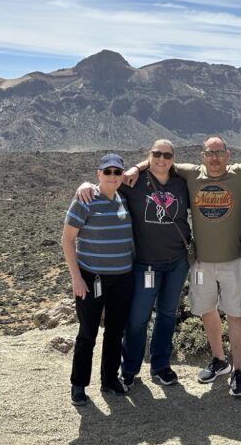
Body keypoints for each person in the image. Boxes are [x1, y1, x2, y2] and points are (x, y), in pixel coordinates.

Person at [128, 135, 241, 398]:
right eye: (209, 153)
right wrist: (135, 168)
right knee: (207, 310)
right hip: (201, 263)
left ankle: (238, 371)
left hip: (234, 261)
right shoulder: (191, 173)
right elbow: (158, 162)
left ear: (228, 155)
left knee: (236, 315)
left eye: (219, 152)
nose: (214, 158)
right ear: (202, 156)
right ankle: (218, 360)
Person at [76, 140, 192, 387]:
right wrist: (85, 185)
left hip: (177, 262)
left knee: (167, 314)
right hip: (144, 264)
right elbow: (107, 186)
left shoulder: (182, 183)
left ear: (173, 158)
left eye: (167, 155)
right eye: (156, 154)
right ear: (149, 155)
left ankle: (161, 366)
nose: (162, 159)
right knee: (137, 319)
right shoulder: (132, 182)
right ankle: (129, 368)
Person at [61, 153, 134, 406]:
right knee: (88, 333)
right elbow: (67, 240)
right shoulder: (85, 199)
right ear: (98, 174)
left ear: (122, 175)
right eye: (108, 172)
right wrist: (76, 278)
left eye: (117, 172)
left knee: (115, 332)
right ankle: (78, 385)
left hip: (123, 278)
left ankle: (109, 379)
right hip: (92, 278)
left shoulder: (123, 200)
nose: (113, 176)